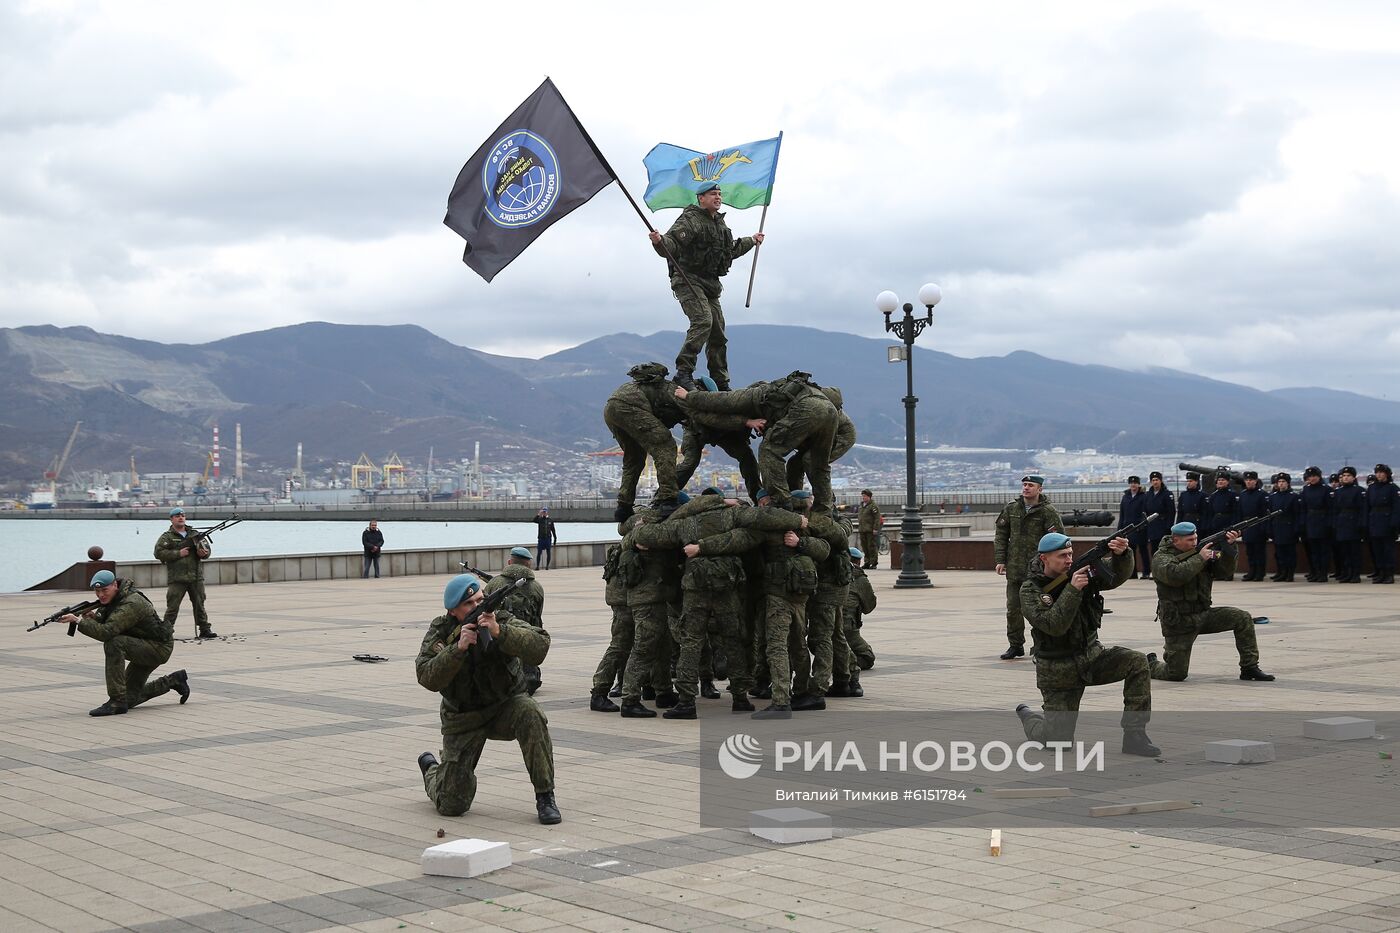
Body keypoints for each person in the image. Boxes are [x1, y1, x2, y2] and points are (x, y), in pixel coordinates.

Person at [414, 573, 560, 825]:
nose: (477, 607)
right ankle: (432, 770)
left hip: (505, 706)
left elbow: (540, 646)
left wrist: (499, 631)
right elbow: (426, 676)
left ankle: (545, 796)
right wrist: (456, 650)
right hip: (463, 716)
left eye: (480, 600)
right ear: (453, 611)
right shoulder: (441, 629)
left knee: (530, 712)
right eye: (469, 604)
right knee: (452, 804)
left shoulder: (499, 618)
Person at [1014, 532, 1159, 757]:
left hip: (1092, 657)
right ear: (1044, 558)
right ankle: (1029, 717)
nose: (1069, 560)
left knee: (1137, 662)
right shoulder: (1030, 589)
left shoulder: (1081, 572)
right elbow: (1053, 625)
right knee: (1057, 742)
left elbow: (1116, 576)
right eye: (1062, 555)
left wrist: (1122, 554)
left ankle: (1134, 735)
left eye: (1071, 554)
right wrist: (1073, 590)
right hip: (1057, 670)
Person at [647, 181, 764, 390]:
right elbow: (671, 245)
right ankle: (683, 372)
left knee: (718, 332)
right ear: (701, 198)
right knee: (703, 321)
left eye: (719, 194)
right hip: (687, 279)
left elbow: (731, 250)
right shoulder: (690, 220)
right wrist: (659, 241)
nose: (718, 197)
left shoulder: (720, 225)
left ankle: (721, 381)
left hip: (710, 284)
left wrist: (752, 240)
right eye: (712, 194)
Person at [676, 371, 839, 513]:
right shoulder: (763, 396)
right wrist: (747, 422)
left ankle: (774, 502)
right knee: (819, 464)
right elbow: (714, 412)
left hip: (806, 411)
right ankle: (822, 511)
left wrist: (688, 396)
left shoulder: (761, 398)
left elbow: (720, 403)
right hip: (831, 413)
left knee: (761, 453)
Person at [1148, 522, 1275, 682]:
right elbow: (1175, 576)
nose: (1194, 542)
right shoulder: (1161, 557)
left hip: (1204, 614)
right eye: (1189, 540)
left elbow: (1225, 572)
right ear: (1175, 540)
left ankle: (1249, 668)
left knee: (1242, 618)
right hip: (1179, 622)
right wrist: (1200, 558)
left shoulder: (1202, 552)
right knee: (1176, 674)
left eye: (1195, 538)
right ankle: (1150, 664)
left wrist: (1229, 548)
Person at [57, 569, 190, 717]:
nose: (100, 595)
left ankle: (116, 701)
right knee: (130, 699)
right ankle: (173, 681)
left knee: (114, 643)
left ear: (115, 585)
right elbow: (113, 623)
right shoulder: (115, 598)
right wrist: (93, 618)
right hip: (141, 644)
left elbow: (106, 632)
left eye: (104, 590)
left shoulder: (132, 602)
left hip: (157, 648)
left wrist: (78, 621)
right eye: (97, 591)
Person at [603, 363, 687, 521]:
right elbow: (696, 410)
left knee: (634, 457)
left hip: (610, 408)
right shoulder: (675, 390)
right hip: (630, 407)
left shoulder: (637, 385)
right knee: (666, 445)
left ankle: (624, 507)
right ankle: (668, 501)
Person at [994, 475, 1065, 659]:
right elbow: (1001, 535)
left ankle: (1042, 646)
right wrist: (1000, 560)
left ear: (1039, 489)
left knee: (1039, 610)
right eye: (1024, 485)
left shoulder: (1047, 512)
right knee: (1013, 609)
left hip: (1038, 572)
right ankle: (1015, 645)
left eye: (1030, 485)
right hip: (1015, 569)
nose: (1026, 488)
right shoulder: (1012, 508)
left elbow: (1058, 541)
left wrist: (1054, 567)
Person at [674, 377, 765, 502]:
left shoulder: (735, 399)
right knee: (690, 463)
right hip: (697, 431)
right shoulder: (695, 403)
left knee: (747, 457)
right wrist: (747, 422)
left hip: (723, 432)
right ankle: (665, 497)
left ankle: (758, 498)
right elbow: (713, 419)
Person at [485, 547, 546, 695]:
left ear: (509, 562)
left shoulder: (494, 583)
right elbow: (538, 616)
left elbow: (485, 610)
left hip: (500, 640)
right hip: (526, 641)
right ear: (528, 564)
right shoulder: (537, 587)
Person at [153, 507, 217, 639]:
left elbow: (207, 551)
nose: (181, 517)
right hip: (177, 578)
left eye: (182, 515)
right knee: (172, 607)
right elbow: (158, 553)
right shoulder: (167, 537)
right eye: (177, 516)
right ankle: (165, 632)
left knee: (200, 604)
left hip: (195, 577)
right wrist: (178, 553)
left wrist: (203, 553)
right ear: (171, 519)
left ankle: (205, 629)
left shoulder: (194, 534)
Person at [1331, 466, 1366, 583]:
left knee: (1354, 551)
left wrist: (1361, 524)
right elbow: (1334, 510)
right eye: (1344, 476)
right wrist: (1335, 524)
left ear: (1353, 477)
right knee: (1344, 551)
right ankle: (1347, 573)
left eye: (1348, 476)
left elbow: (1362, 509)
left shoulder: (1359, 491)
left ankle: (1355, 574)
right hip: (1342, 523)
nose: (1345, 478)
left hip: (1353, 523)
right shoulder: (1338, 492)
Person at [1299, 466, 1333, 582]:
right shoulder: (1306, 489)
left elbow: (1330, 509)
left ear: (1319, 476)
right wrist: (1303, 523)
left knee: (1323, 550)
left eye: (1314, 476)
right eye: (1310, 476)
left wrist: (1329, 524)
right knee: (1313, 550)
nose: (1312, 479)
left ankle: (1323, 573)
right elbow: (1303, 508)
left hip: (1322, 521)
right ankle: (1315, 571)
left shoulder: (1326, 489)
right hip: (1310, 522)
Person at [1236, 471, 1272, 581]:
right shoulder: (1243, 494)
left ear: (1256, 481)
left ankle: (1260, 572)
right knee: (1250, 551)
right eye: (1247, 480)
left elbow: (1265, 513)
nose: (1249, 482)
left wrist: (1264, 528)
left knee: (1259, 551)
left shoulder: (1262, 495)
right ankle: (1251, 571)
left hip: (1258, 525)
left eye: (1251, 480)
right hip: (1247, 526)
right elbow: (1240, 512)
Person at [1366, 464, 1397, 584]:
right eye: (1377, 472)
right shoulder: (1372, 488)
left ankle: (1389, 573)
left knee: (1388, 550)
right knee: (1377, 550)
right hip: (1374, 521)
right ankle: (1381, 572)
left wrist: (1394, 523)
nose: (1379, 475)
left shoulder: (1392, 488)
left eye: (1381, 472)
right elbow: (1367, 507)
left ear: (1387, 474)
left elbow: (1396, 507)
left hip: (1387, 521)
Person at [1268, 473, 1301, 581]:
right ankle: (1281, 572)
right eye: (1279, 482)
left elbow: (1297, 514)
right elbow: (1270, 514)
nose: (1281, 484)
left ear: (1288, 483)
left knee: (1289, 553)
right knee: (1279, 553)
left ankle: (1289, 573)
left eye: (1283, 482)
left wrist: (1296, 529)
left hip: (1289, 527)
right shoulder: (1273, 497)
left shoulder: (1293, 497)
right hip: (1277, 527)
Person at [1142, 471, 1176, 567]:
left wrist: (1168, 526)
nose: (1155, 482)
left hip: (1163, 524)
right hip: (1152, 525)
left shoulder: (1167, 494)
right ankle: (1156, 568)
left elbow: (1171, 512)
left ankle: (1165, 567)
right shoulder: (1148, 495)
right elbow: (1144, 510)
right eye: (1153, 480)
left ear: (1161, 481)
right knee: (1153, 548)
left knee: (1164, 549)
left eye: (1157, 480)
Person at [1117, 476, 1148, 579]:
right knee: (1130, 552)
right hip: (1127, 529)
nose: (1133, 485)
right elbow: (1122, 514)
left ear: (1139, 485)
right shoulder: (1126, 497)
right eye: (1131, 483)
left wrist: (1141, 526)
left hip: (1139, 528)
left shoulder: (1143, 496)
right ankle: (1132, 573)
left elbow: (1144, 513)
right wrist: (1119, 529)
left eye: (1135, 483)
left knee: (1143, 551)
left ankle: (1146, 572)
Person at [858, 489, 883, 570]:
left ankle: (873, 562)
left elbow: (877, 518)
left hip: (870, 529)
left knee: (871, 546)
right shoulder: (862, 505)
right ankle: (867, 562)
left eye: (865, 496)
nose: (863, 498)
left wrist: (875, 528)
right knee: (865, 547)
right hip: (862, 529)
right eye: (863, 496)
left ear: (869, 497)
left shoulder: (873, 506)